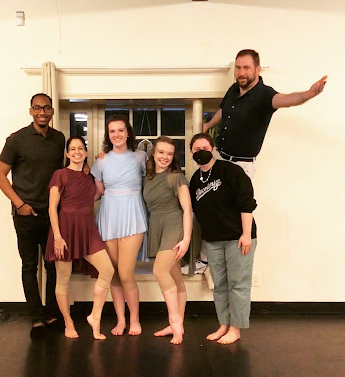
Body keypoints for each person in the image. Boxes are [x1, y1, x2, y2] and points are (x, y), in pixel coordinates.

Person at [0, 93, 65, 339]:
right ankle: (36, 319)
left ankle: (52, 314)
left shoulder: (59, 139)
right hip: (26, 214)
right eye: (37, 108)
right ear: (31, 111)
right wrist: (20, 204)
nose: (42, 112)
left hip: (52, 214)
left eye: (46, 108)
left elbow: (61, 172)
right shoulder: (16, 139)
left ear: (52, 111)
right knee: (29, 266)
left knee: (53, 266)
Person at [203, 49, 327, 178]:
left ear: (257, 69)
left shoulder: (265, 94)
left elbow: (288, 99)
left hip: (241, 166)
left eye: (246, 68)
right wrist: (208, 125)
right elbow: (224, 110)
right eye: (238, 68)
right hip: (218, 158)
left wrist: (309, 94)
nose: (241, 73)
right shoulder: (233, 89)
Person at [189, 133, 257, 345]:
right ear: (191, 152)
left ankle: (235, 328)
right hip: (213, 240)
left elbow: (246, 202)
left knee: (238, 284)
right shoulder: (195, 180)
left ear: (212, 149)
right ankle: (224, 324)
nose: (201, 152)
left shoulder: (230, 170)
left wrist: (246, 234)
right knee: (219, 285)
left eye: (205, 148)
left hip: (238, 238)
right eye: (196, 149)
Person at [46, 136, 115, 340]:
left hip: (87, 228)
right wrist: (57, 237)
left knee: (108, 270)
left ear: (85, 152)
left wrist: (100, 161)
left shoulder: (89, 176)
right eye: (72, 149)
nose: (76, 152)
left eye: (80, 148)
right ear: (67, 153)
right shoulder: (60, 175)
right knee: (63, 278)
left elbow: (99, 193)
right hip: (65, 230)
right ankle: (68, 322)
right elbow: (52, 208)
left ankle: (95, 317)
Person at [91, 114, 147, 336]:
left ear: (128, 133)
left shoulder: (140, 157)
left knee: (125, 273)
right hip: (108, 216)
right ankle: (121, 320)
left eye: (121, 130)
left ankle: (135, 320)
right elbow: (98, 192)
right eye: (112, 131)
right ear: (108, 135)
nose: (117, 135)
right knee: (113, 273)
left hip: (133, 215)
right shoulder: (101, 161)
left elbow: (153, 181)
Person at [143, 136, 192, 345]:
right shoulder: (148, 177)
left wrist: (186, 239)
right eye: (161, 152)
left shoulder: (176, 177)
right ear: (153, 153)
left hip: (174, 225)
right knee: (175, 276)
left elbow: (187, 210)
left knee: (160, 271)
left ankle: (175, 321)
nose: (165, 157)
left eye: (169, 154)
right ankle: (176, 324)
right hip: (157, 225)